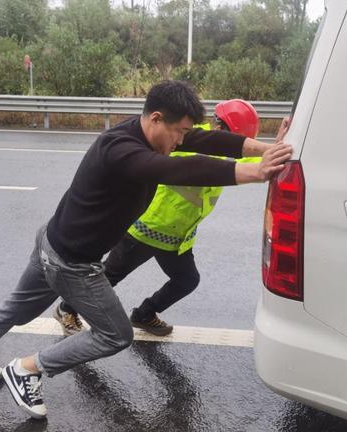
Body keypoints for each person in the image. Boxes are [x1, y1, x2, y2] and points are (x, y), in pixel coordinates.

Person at [0, 81, 292, 420]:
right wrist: (254, 173)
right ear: (156, 119)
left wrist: (264, 151)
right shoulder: (122, 150)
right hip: (72, 262)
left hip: (52, 242)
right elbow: (176, 168)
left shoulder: (146, 133)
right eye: (179, 131)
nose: (183, 138)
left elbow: (207, 142)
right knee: (115, 335)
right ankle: (27, 370)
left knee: (11, 310)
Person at [53, 99, 263, 337]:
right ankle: (66, 308)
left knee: (187, 280)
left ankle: (144, 314)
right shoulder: (185, 141)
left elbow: (251, 160)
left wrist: (278, 148)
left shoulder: (219, 149)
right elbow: (205, 162)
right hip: (147, 229)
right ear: (221, 129)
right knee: (109, 276)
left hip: (177, 237)